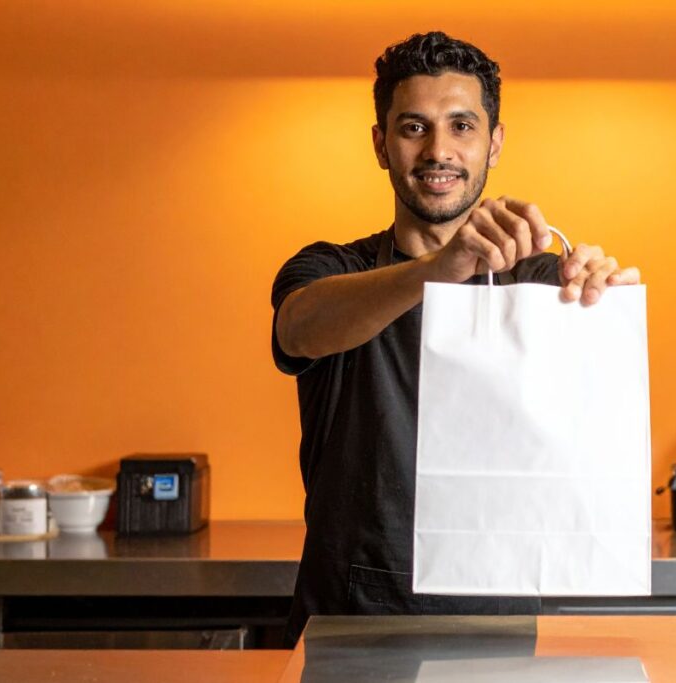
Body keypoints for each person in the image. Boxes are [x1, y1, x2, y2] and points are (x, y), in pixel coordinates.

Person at [271, 31, 640, 645]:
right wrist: (433, 273)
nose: (438, 150)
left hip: (495, 627)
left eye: (462, 126)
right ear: (380, 145)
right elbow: (299, 327)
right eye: (413, 127)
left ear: (494, 143)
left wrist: (601, 292)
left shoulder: (538, 284)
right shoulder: (331, 270)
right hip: (346, 627)